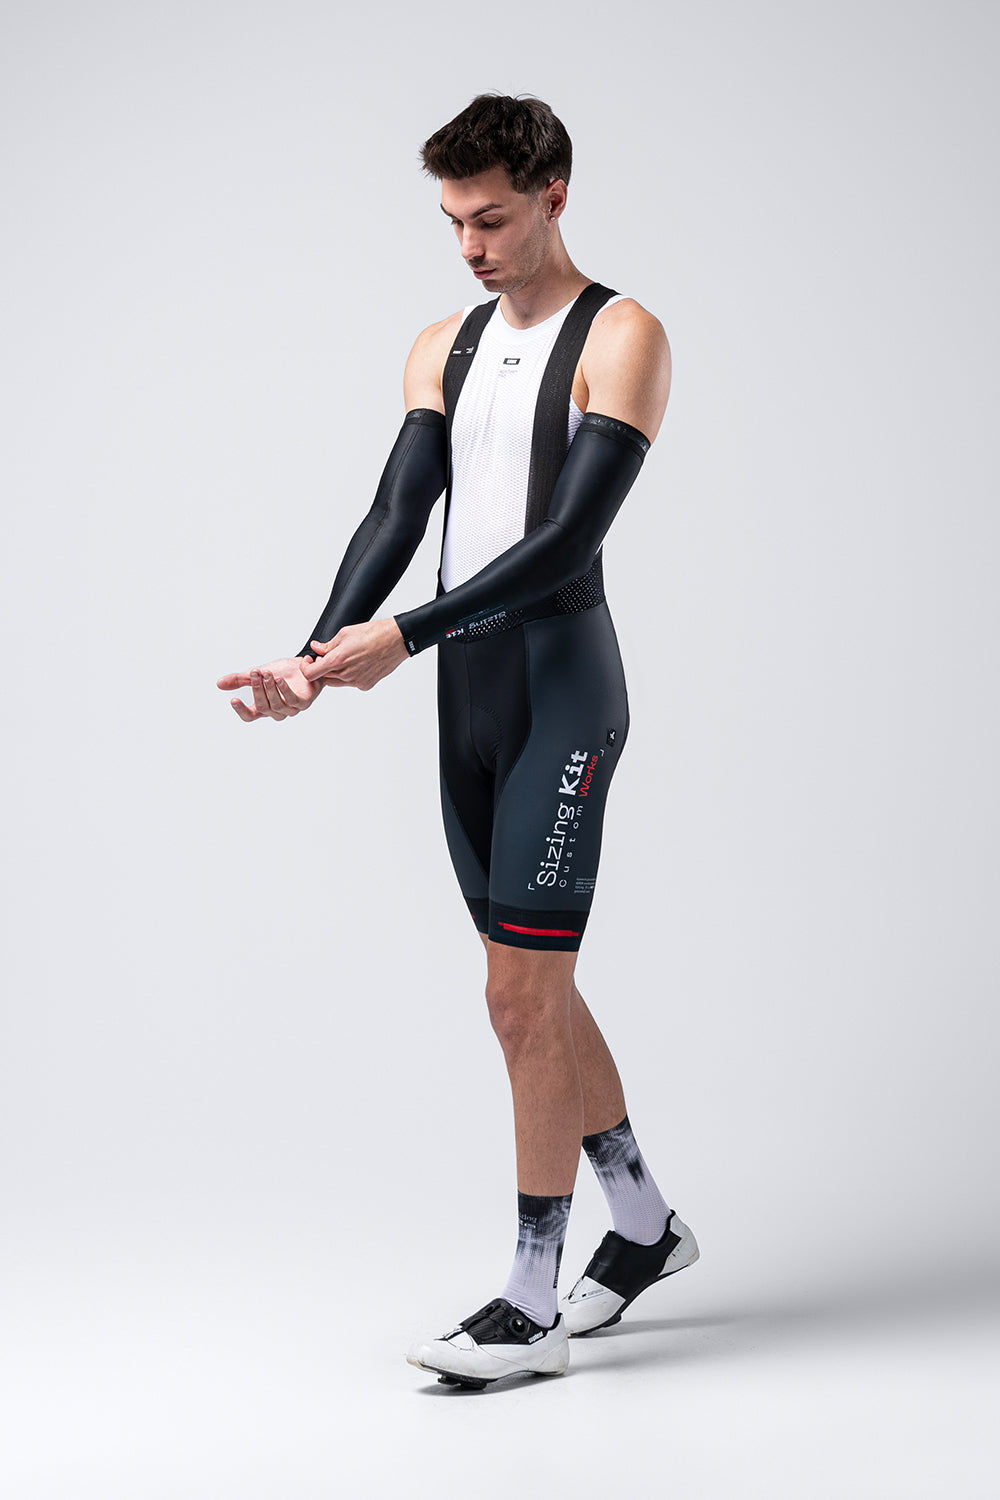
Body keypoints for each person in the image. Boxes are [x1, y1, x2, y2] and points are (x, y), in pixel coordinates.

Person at [217, 94, 698, 1389]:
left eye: (491, 219)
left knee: (517, 995)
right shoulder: (446, 342)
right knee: (527, 986)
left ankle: (534, 1301)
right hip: (468, 692)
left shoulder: (624, 335)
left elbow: (565, 544)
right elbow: (397, 513)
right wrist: (313, 657)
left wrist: (405, 636)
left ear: (553, 196)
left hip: (562, 686)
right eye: (453, 224)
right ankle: (645, 1226)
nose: (472, 246)